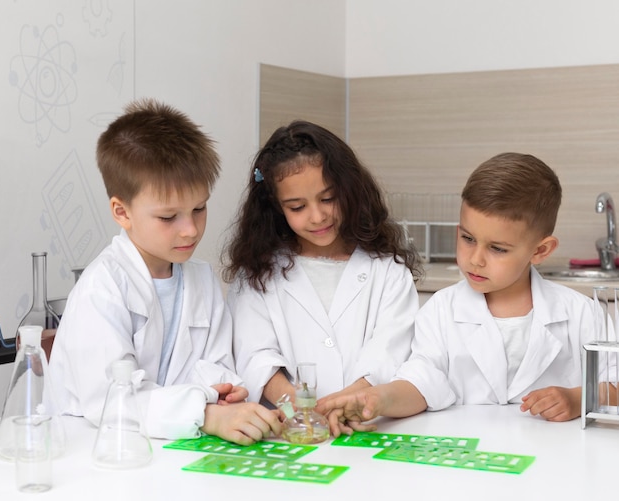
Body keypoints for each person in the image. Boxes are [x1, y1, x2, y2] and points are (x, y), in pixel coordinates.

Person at [318, 152, 609, 436]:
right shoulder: (441, 310)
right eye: (468, 239)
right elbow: (421, 383)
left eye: (497, 248)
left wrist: (577, 399)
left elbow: (615, 381)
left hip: (556, 459)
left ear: (540, 250)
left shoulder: (581, 313)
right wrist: (378, 399)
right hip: (471, 459)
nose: (476, 259)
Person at [48, 99, 281, 445]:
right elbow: (111, 401)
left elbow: (216, 363)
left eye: (199, 208)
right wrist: (204, 412)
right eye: (169, 217)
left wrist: (226, 392)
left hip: (172, 449)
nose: (190, 230)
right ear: (121, 211)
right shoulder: (102, 287)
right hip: (94, 455)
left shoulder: (201, 278)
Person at [222, 120, 422, 409]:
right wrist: (303, 410)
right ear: (276, 207)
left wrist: (348, 403)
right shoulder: (257, 273)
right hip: (288, 428)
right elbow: (255, 356)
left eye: (328, 198)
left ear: (350, 190)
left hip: (368, 422)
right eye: (298, 207)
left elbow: (389, 354)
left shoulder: (388, 272)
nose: (317, 216)